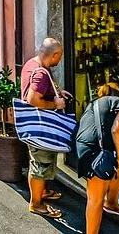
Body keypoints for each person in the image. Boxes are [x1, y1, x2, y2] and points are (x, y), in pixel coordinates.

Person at [21, 37, 73, 219]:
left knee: (43, 161)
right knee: (40, 164)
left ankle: (41, 192)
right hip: (40, 127)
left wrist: (57, 93)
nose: (59, 61)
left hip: (35, 125)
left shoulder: (31, 64)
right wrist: (55, 104)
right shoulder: (42, 73)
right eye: (59, 57)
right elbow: (32, 99)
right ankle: (36, 204)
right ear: (55, 55)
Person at [75, 83, 119, 232]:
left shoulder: (94, 103)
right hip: (96, 150)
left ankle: (112, 203)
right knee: (95, 199)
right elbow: (116, 130)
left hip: (84, 146)